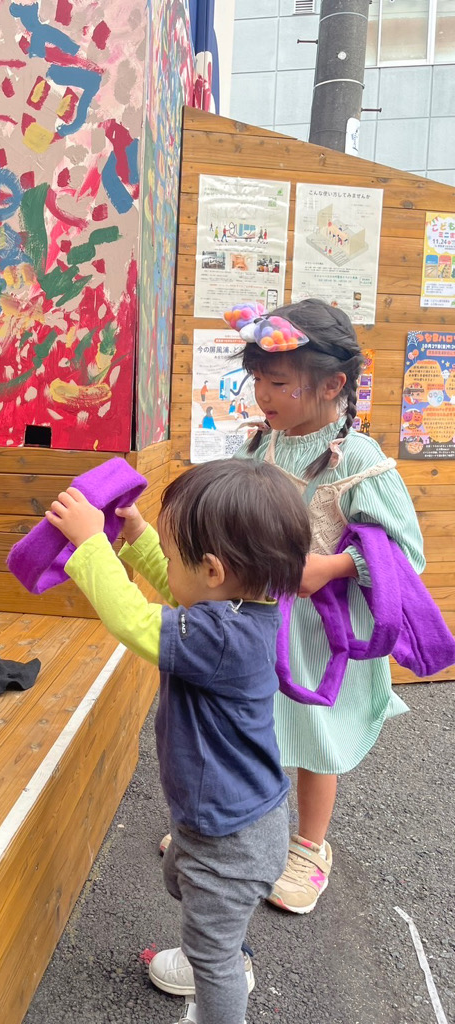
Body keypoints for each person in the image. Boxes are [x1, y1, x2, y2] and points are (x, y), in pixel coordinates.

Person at [45, 459, 312, 1024]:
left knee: (211, 941)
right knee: (182, 885)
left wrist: (92, 545)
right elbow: (178, 587)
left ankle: (219, 981)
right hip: (227, 817)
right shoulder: (243, 608)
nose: (168, 569)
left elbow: (134, 621)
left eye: (171, 556)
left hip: (230, 836)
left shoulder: (220, 637)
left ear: (214, 570)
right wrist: (143, 537)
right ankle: (216, 952)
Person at [233, 298, 424, 916]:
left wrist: (335, 566)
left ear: (332, 385)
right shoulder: (261, 442)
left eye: (278, 382)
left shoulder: (360, 459)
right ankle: (243, 832)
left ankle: (310, 847)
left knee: (315, 738)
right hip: (261, 613)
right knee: (255, 724)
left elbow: (407, 555)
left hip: (324, 629)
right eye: (257, 378)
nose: (263, 393)